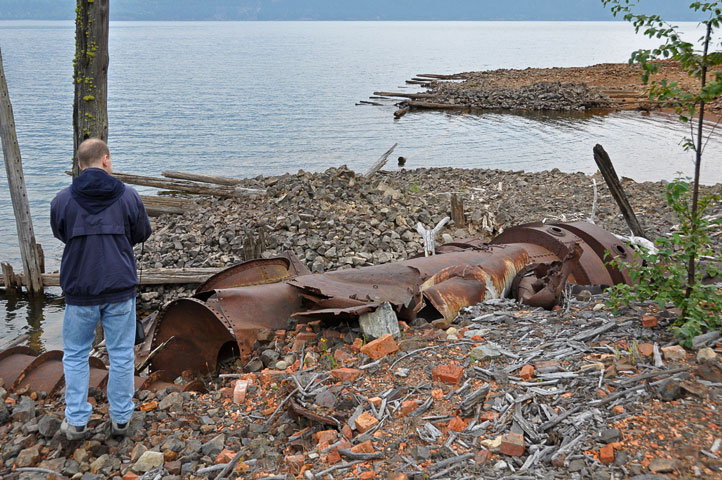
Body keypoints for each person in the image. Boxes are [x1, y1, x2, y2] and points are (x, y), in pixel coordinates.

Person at [50, 138, 152, 440]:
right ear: (105, 160)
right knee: (121, 354)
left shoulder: (62, 199)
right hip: (119, 285)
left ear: (80, 165)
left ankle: (77, 420)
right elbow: (142, 232)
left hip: (80, 288)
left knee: (76, 354)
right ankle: (121, 418)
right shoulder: (128, 196)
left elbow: (60, 232)